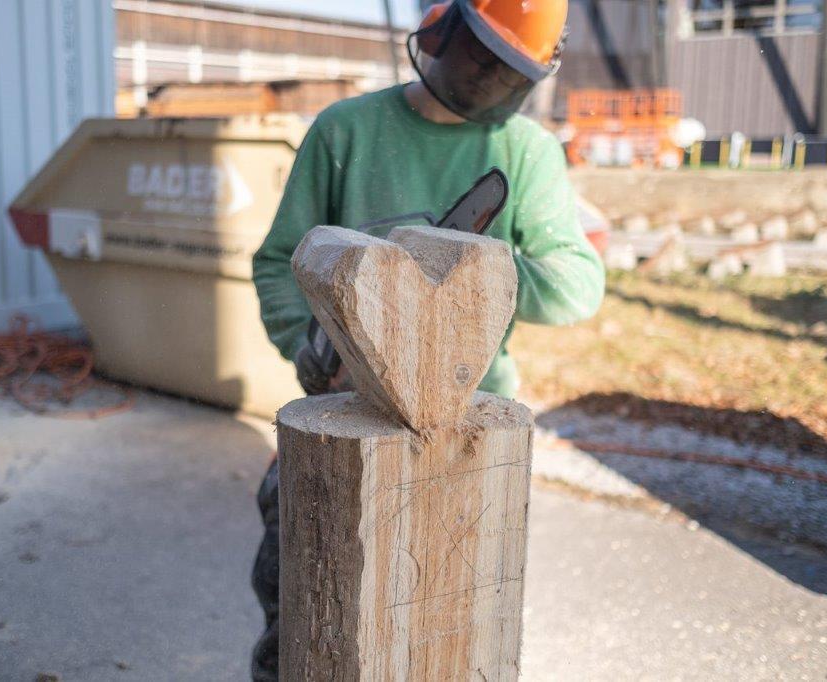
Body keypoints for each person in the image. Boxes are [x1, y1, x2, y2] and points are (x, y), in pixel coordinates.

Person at [249, 0, 605, 678]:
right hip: (343, 409)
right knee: (300, 608)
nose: (487, 80)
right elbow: (279, 259)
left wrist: (480, 273)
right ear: (443, 30)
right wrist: (305, 340)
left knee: (453, 628)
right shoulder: (345, 130)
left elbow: (577, 285)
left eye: (506, 71)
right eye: (479, 58)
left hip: (461, 429)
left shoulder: (524, 150)